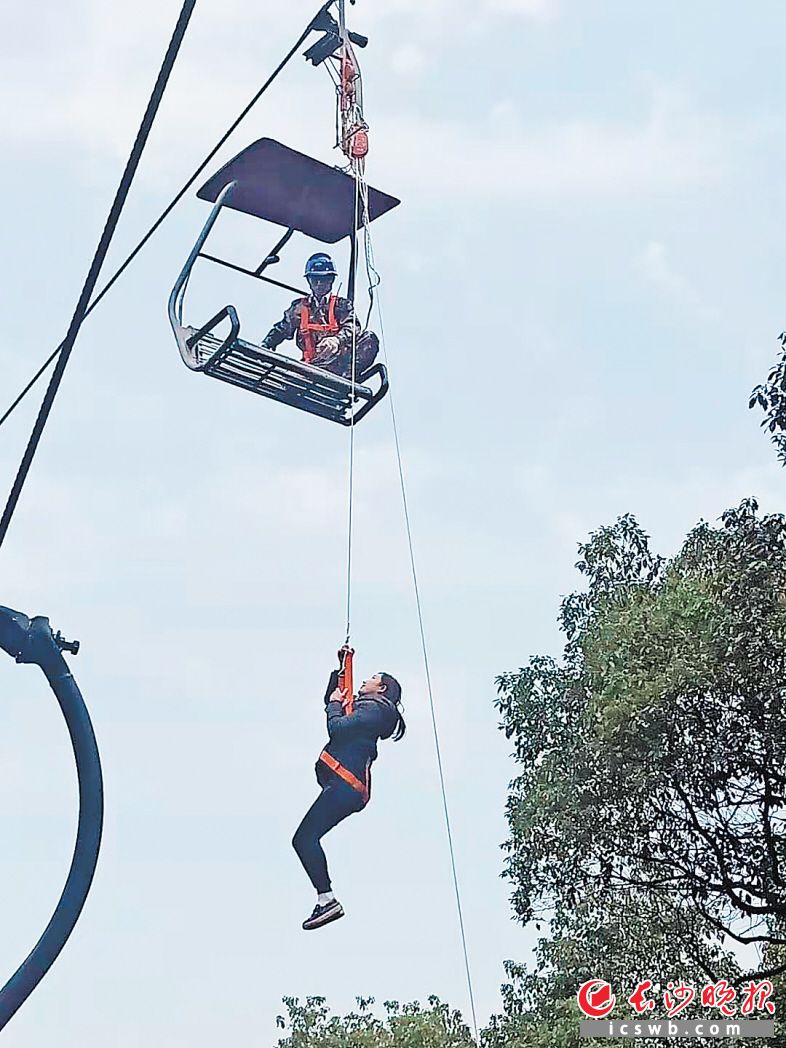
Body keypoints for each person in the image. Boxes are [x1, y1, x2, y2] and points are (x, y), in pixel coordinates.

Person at [292, 649, 405, 930]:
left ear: (382, 688)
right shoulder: (370, 709)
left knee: (304, 839)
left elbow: (337, 727)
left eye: (372, 678)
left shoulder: (377, 709)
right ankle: (325, 898)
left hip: (347, 784)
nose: (365, 680)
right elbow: (333, 704)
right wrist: (340, 670)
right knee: (305, 839)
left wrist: (334, 706)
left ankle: (326, 899)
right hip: (345, 785)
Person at [260, 253, 380, 381]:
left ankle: (346, 380)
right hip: (313, 365)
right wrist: (266, 345)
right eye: (314, 279)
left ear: (331, 280)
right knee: (290, 378)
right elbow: (282, 329)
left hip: (339, 362)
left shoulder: (342, 305)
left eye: (323, 279)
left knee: (369, 339)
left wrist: (337, 340)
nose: (319, 284)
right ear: (309, 281)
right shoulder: (300, 307)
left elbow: (353, 326)